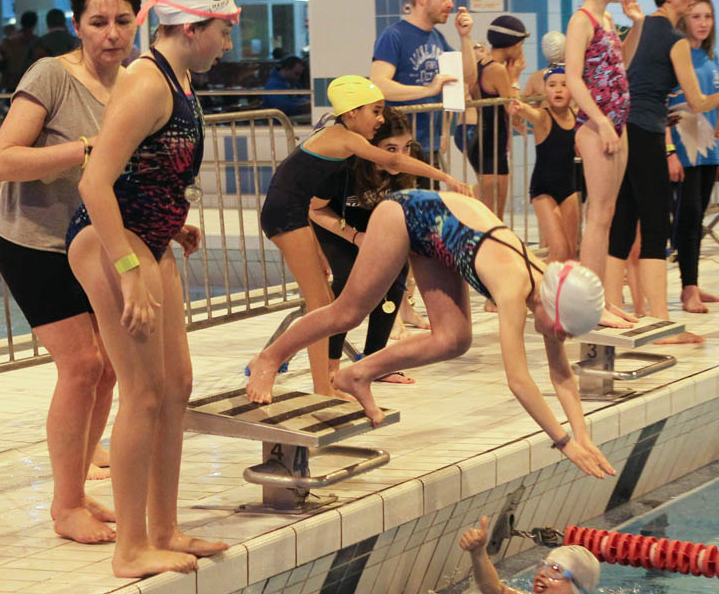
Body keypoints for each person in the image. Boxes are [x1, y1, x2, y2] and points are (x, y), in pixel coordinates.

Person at [248, 189, 616, 480]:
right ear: (554, 308)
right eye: (563, 331)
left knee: (454, 338)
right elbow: (519, 381)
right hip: (407, 214)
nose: (561, 339)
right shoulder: (513, 286)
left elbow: (561, 373)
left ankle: (356, 374)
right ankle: (268, 358)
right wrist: (564, 443)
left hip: (440, 237)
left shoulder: (550, 289)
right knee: (349, 312)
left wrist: (583, 435)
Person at [66, 0, 237, 577]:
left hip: (149, 238)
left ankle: (163, 528)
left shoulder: (180, 78)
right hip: (111, 244)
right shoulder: (147, 83)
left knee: (176, 386)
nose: (227, 42)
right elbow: (94, 183)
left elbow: (151, 171)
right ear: (191, 26)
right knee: (141, 393)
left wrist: (172, 222)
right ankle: (130, 547)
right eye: (223, 29)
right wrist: (128, 268)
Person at [0, 0, 141, 542]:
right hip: (33, 241)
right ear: (77, 26)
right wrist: (84, 148)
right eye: (98, 22)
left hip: (91, 242)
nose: (111, 33)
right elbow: (1, 161)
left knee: (107, 370)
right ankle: (64, 506)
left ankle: (75, 490)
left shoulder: (134, 84)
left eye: (122, 21)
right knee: (81, 366)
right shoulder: (51, 75)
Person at [257, 75, 470, 399]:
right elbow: (393, 161)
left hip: (294, 212)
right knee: (319, 303)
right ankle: (291, 373)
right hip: (286, 215)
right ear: (352, 112)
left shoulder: (337, 134)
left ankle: (321, 382)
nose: (381, 119)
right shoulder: (342, 137)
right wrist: (448, 178)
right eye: (376, 111)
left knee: (325, 302)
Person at [603, 0, 719, 344]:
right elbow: (697, 100)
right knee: (656, 226)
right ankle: (661, 324)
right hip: (646, 132)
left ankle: (613, 309)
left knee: (624, 221)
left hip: (625, 129)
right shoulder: (675, 39)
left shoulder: (640, 27)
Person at [564, 0, 645, 329]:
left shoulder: (608, 19)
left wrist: (637, 24)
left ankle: (604, 301)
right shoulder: (581, 21)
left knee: (607, 215)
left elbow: (620, 63)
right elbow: (573, 78)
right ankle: (589, 307)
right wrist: (600, 121)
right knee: (597, 217)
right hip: (597, 129)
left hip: (615, 126)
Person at [310, 107, 419, 385]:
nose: (401, 156)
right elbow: (315, 210)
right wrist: (356, 237)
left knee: (394, 280)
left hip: (376, 228)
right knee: (349, 283)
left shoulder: (409, 163)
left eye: (406, 147)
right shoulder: (342, 167)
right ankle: (331, 366)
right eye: (391, 148)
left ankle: (375, 364)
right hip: (336, 227)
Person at [435, 516, 601, 594]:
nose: (542, 574)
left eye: (556, 571)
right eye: (543, 566)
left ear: (576, 591)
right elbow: (496, 589)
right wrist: (478, 551)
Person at [371, 0, 477, 168]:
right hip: (399, 145)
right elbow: (379, 85)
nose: (451, 4)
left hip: (428, 143)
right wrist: (427, 90)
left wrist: (465, 37)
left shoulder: (437, 37)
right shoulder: (393, 35)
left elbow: (467, 77)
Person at [667, 0, 719, 314]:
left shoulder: (711, 57)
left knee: (698, 218)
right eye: (696, 17)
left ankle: (693, 283)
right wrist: (669, 152)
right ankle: (687, 287)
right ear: (684, 20)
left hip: (708, 148)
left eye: (708, 17)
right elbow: (662, 103)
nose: (703, 23)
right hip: (683, 146)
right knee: (687, 216)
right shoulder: (677, 55)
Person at [509, 65, 578, 263]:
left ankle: (558, 282)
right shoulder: (543, 117)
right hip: (543, 191)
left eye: (564, 85)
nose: (558, 89)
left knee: (571, 252)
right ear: (545, 90)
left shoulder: (576, 116)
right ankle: (539, 282)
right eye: (552, 85)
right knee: (559, 250)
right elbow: (528, 113)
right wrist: (519, 108)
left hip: (569, 189)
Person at [468, 15, 529, 221]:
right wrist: (515, 78)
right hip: (490, 147)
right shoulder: (497, 70)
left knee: (490, 216)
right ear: (512, 45)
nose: (521, 50)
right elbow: (514, 110)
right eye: (521, 45)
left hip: (487, 144)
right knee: (493, 219)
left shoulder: (482, 65)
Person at [0, 10, 38, 93]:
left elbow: (1, 60)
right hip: (30, 83)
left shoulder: (9, 41)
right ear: (34, 24)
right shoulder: (36, 42)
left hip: (12, 82)